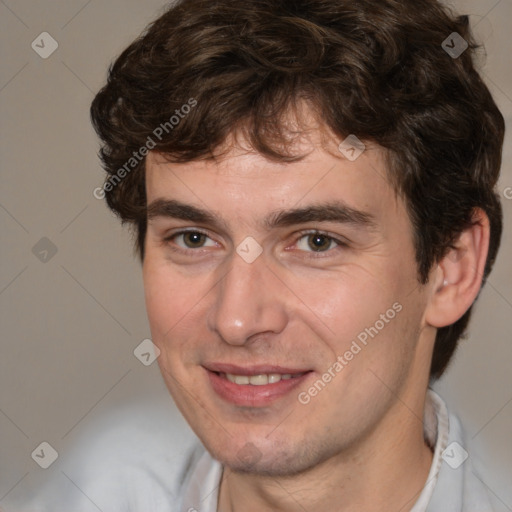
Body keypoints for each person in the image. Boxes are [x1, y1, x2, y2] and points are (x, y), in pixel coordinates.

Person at [33, 0, 506, 510]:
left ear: (451, 268)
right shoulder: (98, 487)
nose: (236, 320)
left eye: (316, 241)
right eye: (194, 238)